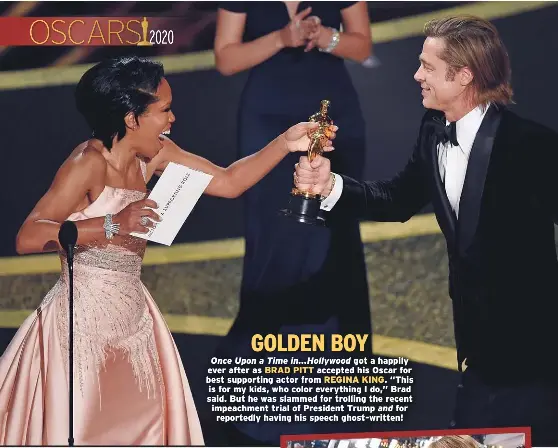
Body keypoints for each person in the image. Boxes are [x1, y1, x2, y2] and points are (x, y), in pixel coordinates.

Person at [0, 55, 333, 446]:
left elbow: (229, 182)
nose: (173, 119)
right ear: (131, 118)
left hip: (134, 320)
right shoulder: (86, 163)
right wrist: (113, 223)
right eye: (164, 110)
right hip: (80, 329)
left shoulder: (155, 153)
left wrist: (285, 143)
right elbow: (29, 236)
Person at [294, 15, 558, 447]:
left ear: (464, 76)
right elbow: (398, 199)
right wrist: (330, 186)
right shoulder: (432, 129)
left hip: (536, 359)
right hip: (476, 353)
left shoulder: (531, 145)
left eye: (428, 67)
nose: (417, 75)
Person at [213, 3, 372, 443]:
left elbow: (362, 46)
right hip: (267, 119)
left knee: (335, 240)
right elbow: (226, 58)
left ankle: (344, 391)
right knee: (273, 242)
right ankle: (255, 384)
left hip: (334, 119)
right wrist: (282, 38)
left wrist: (326, 38)